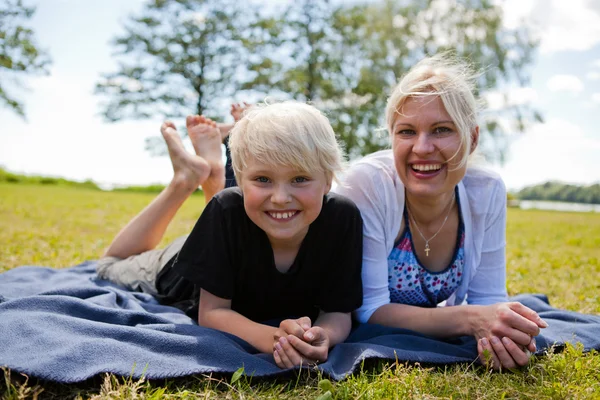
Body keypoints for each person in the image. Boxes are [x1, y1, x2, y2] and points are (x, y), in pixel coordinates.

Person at [97, 101, 363, 369]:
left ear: (328, 180)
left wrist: (321, 337)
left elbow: (338, 313)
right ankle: (185, 181)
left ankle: (207, 174)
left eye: (300, 179)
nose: (281, 198)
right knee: (109, 264)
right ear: (239, 178)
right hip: (182, 270)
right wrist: (276, 340)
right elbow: (212, 313)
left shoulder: (343, 217)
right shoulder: (226, 208)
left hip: (225, 242)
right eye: (262, 179)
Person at [332, 54, 547, 371]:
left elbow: (488, 299)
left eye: (441, 130)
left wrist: (499, 335)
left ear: (471, 139)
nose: (421, 148)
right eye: (406, 131)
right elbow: (370, 311)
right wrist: (469, 319)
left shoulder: (486, 191)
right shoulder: (369, 184)